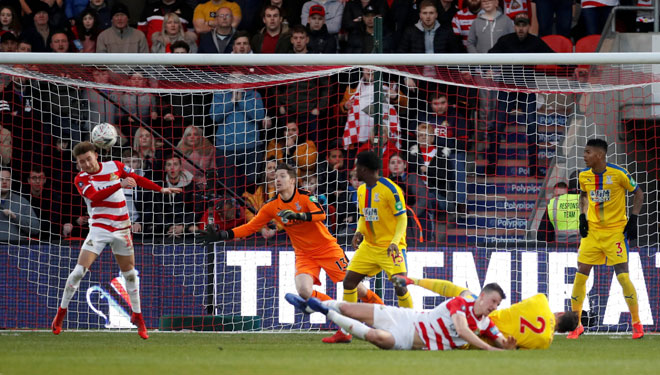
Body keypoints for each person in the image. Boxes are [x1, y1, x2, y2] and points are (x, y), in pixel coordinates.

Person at [200, 163, 384, 343]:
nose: (277, 179)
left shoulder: (305, 197)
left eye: (282, 176)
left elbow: (321, 215)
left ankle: (386, 316)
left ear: (293, 181)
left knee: (357, 288)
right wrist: (223, 234)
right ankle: (338, 315)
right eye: (276, 176)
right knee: (304, 291)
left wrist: (299, 216)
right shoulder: (271, 206)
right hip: (304, 254)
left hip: (328, 249)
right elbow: (251, 227)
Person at [50, 142, 181, 339]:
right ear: (77, 164)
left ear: (96, 155)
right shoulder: (81, 179)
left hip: (122, 228)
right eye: (81, 161)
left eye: (88, 159)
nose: (86, 164)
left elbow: (136, 178)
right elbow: (95, 198)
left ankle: (138, 316)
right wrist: (119, 184)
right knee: (78, 272)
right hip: (99, 229)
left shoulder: (116, 166)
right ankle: (61, 313)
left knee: (129, 275)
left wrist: (160, 189)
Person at [286, 283, 517, 351]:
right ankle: (310, 307)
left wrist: (506, 345)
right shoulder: (460, 303)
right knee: (347, 308)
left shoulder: (487, 323)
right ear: (482, 296)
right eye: (493, 301)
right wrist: (490, 350)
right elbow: (464, 331)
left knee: (379, 337)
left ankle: (325, 311)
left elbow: (500, 341)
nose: (494, 307)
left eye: (498, 304)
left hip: (408, 341)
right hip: (406, 317)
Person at [568, 138, 645, 340]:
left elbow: (639, 193)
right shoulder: (584, 176)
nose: (584, 156)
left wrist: (634, 218)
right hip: (592, 233)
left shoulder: (619, 174)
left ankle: (637, 323)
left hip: (615, 233)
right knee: (580, 274)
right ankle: (576, 324)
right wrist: (583, 217)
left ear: (599, 155)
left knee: (622, 276)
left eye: (587, 152)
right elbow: (584, 196)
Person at [391, 275, 580, 349]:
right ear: (562, 331)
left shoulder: (542, 301)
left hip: (481, 316)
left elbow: (523, 306)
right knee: (422, 341)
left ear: (561, 313)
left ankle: (413, 282)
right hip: (477, 339)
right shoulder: (544, 342)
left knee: (461, 293)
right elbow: (514, 348)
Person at [342, 151, 412, 323]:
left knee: (400, 285)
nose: (354, 170)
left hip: (391, 247)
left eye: (357, 166)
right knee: (349, 282)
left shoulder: (391, 190)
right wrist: (359, 231)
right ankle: (347, 329)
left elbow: (403, 218)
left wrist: (395, 242)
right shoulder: (361, 190)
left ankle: (412, 327)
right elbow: (363, 215)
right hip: (369, 246)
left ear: (364, 169)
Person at [397, 0, 464, 54]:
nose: (428, 16)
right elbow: (401, 54)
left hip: (440, 70)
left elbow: (455, 54)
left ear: (436, 15)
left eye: (431, 13)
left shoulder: (447, 32)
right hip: (416, 70)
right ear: (420, 15)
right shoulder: (410, 32)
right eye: (425, 13)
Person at [0, 168, 40, 243]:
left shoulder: (22, 202)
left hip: (15, 251)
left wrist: (15, 217)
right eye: (1, 179)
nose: (4, 182)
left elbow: (36, 229)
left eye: (8, 179)